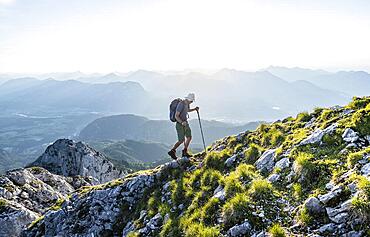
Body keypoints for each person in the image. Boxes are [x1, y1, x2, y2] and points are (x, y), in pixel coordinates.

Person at [168, 93, 199, 159]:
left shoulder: (187, 104)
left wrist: (195, 109)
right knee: (181, 140)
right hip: (180, 124)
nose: (192, 102)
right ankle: (172, 151)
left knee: (189, 137)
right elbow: (176, 116)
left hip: (185, 122)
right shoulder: (181, 104)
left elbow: (187, 110)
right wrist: (182, 122)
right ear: (188, 99)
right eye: (191, 101)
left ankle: (184, 152)